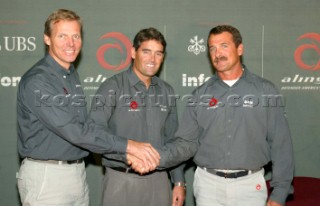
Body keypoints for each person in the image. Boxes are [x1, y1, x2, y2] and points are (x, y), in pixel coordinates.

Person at [16, 9, 159, 206]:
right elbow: (76, 132)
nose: (71, 43)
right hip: (48, 176)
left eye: (75, 36)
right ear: (47, 39)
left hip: (75, 173)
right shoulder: (39, 81)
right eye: (62, 36)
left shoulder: (69, 74)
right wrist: (129, 146)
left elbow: (88, 129)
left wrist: (126, 154)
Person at [154, 25, 294, 206]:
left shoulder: (265, 91)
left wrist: (280, 193)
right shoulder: (200, 95)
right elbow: (184, 143)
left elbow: (281, 144)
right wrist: (158, 160)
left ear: (240, 49)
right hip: (208, 187)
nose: (217, 53)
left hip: (250, 186)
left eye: (224, 46)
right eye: (212, 48)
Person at [88, 27, 186, 206]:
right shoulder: (112, 87)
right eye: (146, 52)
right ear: (133, 52)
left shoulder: (167, 91)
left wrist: (178, 181)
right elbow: (94, 132)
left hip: (159, 181)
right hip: (121, 180)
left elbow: (174, 139)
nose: (152, 59)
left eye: (158, 54)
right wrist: (126, 153)